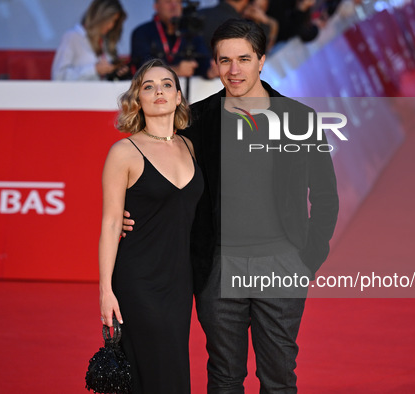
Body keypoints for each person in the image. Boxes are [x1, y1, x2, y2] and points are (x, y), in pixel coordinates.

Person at [124, 19, 339, 393]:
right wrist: (135, 215)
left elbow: (325, 195)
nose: (234, 70)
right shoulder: (197, 120)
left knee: (279, 378)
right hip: (218, 269)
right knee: (224, 377)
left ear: (261, 60)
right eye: (225, 60)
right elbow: (166, 174)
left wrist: (307, 259)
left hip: (282, 264)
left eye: (243, 59)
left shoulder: (300, 119)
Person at [99, 58, 203, 393]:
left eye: (166, 85)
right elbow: (112, 222)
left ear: (178, 97)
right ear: (138, 100)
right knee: (155, 369)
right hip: (138, 280)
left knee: (172, 364)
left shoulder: (191, 147)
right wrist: (105, 291)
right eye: (148, 86)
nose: (158, 91)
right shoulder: (123, 153)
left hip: (179, 280)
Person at [130, 0, 215, 78]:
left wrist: (211, 71)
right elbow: (142, 67)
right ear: (156, 6)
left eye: (178, 2)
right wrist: (175, 70)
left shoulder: (190, 32)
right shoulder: (142, 32)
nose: (174, 6)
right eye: (168, 1)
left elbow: (204, 61)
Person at [51, 0, 129, 81]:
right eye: (110, 20)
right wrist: (94, 69)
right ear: (99, 16)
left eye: (115, 22)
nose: (111, 25)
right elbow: (58, 76)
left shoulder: (106, 42)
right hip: (78, 93)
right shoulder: (72, 37)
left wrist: (118, 73)